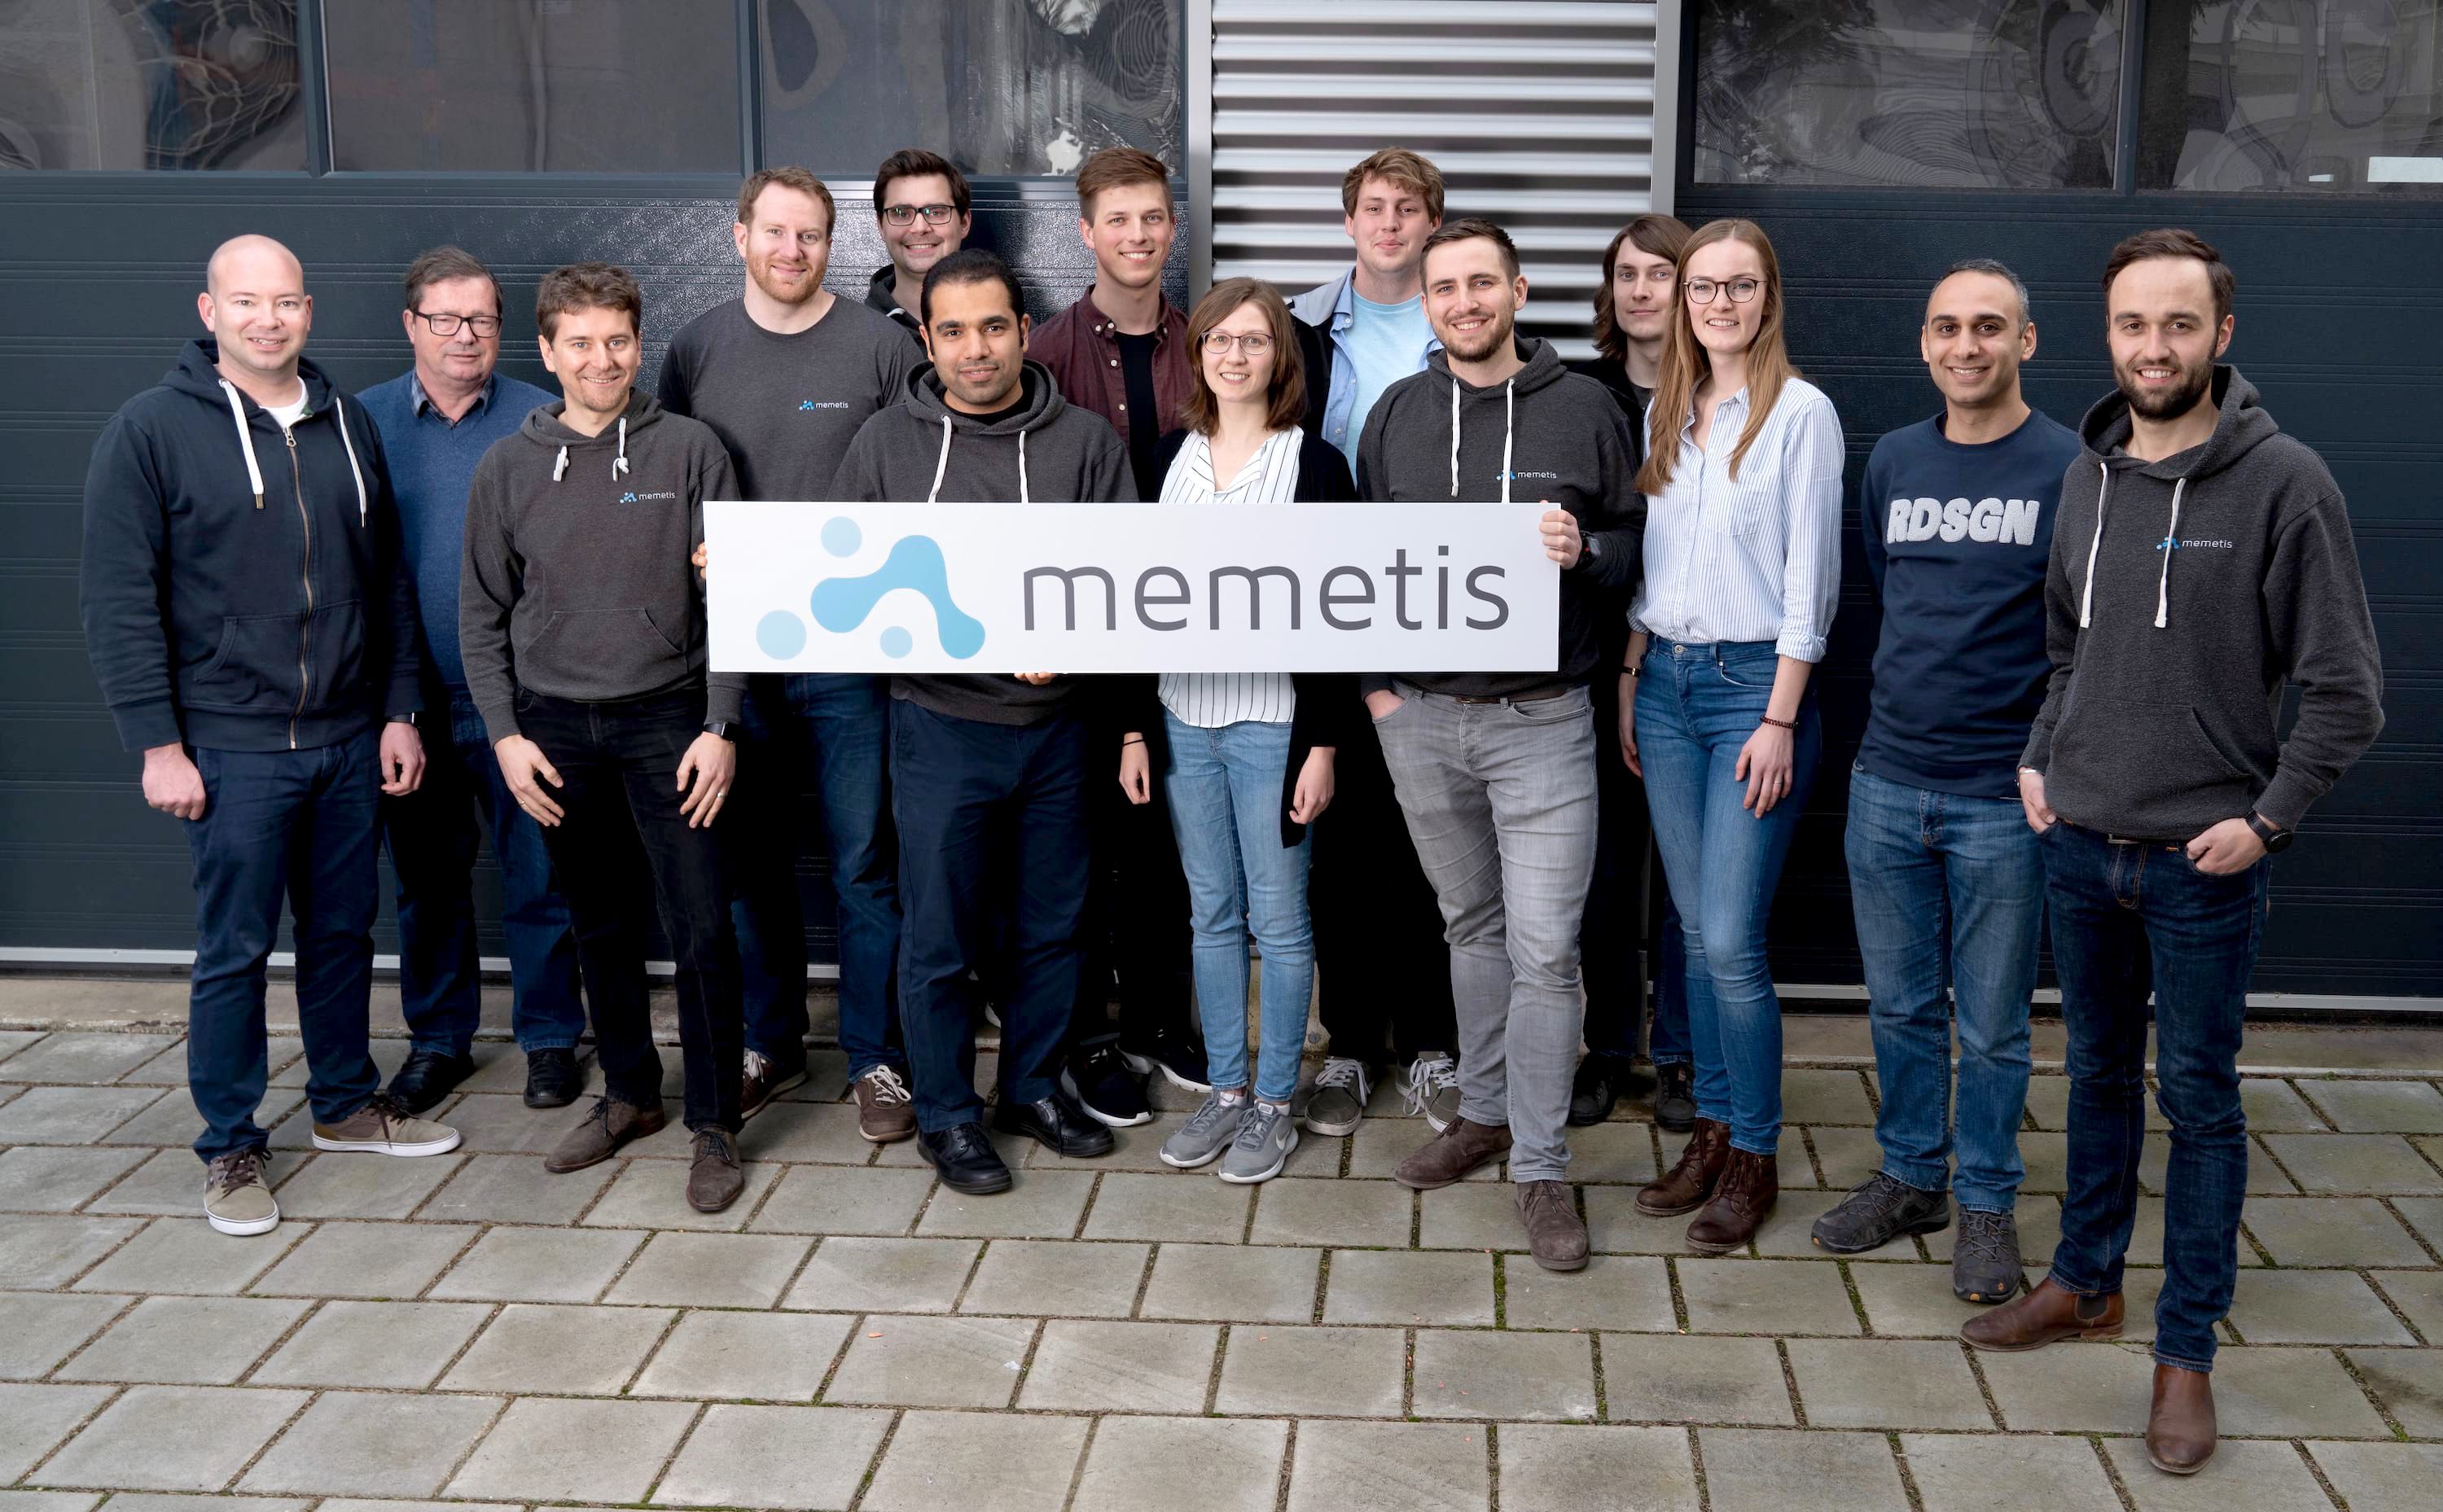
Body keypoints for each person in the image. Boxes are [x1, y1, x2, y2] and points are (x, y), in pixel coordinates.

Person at [1962, 229, 2384, 1477]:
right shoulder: (2088, 477)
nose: (2155, 348)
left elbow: (2349, 694)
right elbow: (2066, 648)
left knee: (2197, 1105)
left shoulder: (2285, 482)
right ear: (2109, 336)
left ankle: (2184, 1350)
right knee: (2095, 1079)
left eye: (2180, 325)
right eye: (2135, 326)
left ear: (2222, 335)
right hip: (2080, 847)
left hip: (2204, 865)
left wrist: (2267, 818)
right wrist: (2044, 754)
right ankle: (2085, 1281)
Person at [81, 234, 458, 1238]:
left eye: (285, 301)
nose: (267, 319)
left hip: (346, 735)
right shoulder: (150, 431)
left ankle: (341, 1103)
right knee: (235, 950)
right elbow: (119, 600)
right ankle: (231, 1144)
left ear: (308, 309)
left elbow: (387, 581)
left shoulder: (347, 423)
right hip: (230, 745)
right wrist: (157, 743)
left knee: (341, 936)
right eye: (245, 302)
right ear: (209, 313)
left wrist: (399, 708)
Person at [1360, 218, 1646, 1272]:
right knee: (1469, 925)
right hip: (1423, 719)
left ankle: (1539, 1163)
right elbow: (1358, 568)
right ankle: (1481, 1113)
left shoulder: (1588, 410)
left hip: (1542, 722)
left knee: (1544, 950)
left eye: (1483, 282)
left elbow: (1635, 549)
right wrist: (1379, 694)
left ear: (1519, 291)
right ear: (1425, 303)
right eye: (1446, 288)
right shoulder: (1395, 414)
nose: (1465, 302)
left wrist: (1590, 550)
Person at [831, 248, 1135, 1195]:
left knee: (1053, 925)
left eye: (994, 327)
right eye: (953, 330)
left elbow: (1128, 582)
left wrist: (1074, 646)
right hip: (941, 727)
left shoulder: (1086, 443)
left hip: (1058, 729)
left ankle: (1032, 1088)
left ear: (1022, 331)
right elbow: (839, 585)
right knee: (941, 936)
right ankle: (948, 1114)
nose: (976, 349)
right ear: (927, 338)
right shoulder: (885, 444)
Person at [1809, 260, 2079, 1305]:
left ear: (2027, 342)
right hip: (1888, 777)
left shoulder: (2070, 468)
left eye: (1988, 328)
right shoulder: (1896, 462)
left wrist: (2043, 755)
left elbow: (2080, 635)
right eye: (1946, 329)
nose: (1966, 346)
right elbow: (1889, 587)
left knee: (1994, 1021)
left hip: (2001, 797)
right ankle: (1912, 1176)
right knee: (1902, 1005)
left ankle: (1987, 1203)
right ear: (1923, 344)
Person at [461, 262, 751, 1214]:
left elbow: (739, 597)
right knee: (599, 922)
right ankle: (630, 1094)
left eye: (618, 340)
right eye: (579, 343)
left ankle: (714, 1121)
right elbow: (481, 614)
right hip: (555, 728)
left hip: (668, 720)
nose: (601, 359)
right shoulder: (506, 467)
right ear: (544, 352)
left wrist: (720, 723)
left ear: (640, 344)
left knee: (704, 926)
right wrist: (505, 735)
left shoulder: (692, 451)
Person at [657, 168, 923, 1138]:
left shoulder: (880, 345)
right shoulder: (694, 349)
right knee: (749, 864)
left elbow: (917, 472)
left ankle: (878, 1058)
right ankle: (766, 1041)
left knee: (862, 862)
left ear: (831, 244)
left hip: (855, 649)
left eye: (811, 235)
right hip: (739, 654)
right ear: (739, 237)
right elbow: (671, 466)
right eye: (775, 233)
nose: (792, 251)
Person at [1625, 218, 1843, 1256]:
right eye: (1703, 288)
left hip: (1754, 688)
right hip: (1665, 683)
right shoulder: (1672, 410)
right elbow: (1657, 571)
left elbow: (1813, 581)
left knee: (1731, 938)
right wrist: (1632, 680)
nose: (1719, 303)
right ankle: (1708, 1132)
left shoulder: (1802, 415)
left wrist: (1780, 715)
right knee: (1690, 931)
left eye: (1739, 286)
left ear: (1768, 297)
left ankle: (1754, 1152)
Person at [358, 246, 586, 1114]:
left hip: (527, 708)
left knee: (541, 876)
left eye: (482, 320)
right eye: (445, 320)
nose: (465, 336)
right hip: (409, 709)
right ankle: (438, 1043)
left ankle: (552, 1039)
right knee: (428, 885)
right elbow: (358, 576)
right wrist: (393, 705)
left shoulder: (544, 418)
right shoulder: (363, 424)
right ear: (410, 325)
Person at [1141, 278, 1356, 1184]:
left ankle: (1276, 1102)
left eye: (1255, 341)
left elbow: (1346, 615)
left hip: (1277, 725)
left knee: (1279, 916)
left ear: (1282, 357)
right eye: (1219, 340)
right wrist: (1128, 735)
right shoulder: (1163, 459)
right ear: (1198, 356)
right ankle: (1226, 1091)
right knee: (1212, 913)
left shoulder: (1318, 466)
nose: (1235, 355)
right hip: (1184, 718)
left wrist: (1325, 744)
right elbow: (1128, 599)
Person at [1287, 147, 1463, 1138]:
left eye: (1407, 208)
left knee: (1437, 835)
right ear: (1349, 220)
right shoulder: (1306, 325)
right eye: (1372, 208)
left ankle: (1434, 1045)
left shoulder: (1463, 316)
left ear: (1433, 221)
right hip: (1327, 596)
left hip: (1437, 599)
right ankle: (1351, 1045)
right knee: (1346, 840)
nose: (1389, 223)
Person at [1029, 146, 1205, 1119]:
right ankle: (1090, 1041)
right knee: (1084, 853)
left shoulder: (1209, 343)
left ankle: (1159, 1022)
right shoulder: (1047, 354)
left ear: (1171, 228)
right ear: (1086, 233)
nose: (1139, 236)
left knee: (1172, 849)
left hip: (1188, 641)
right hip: (1082, 648)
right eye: (1119, 220)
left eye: (1154, 218)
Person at [1568, 213, 1696, 1132]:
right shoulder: (1580, 396)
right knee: (1607, 874)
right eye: (1628, 274)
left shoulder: (1726, 393)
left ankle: (1684, 1054)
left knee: (1693, 879)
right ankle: (1609, 1048)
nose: (1643, 289)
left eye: (1662, 272)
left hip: (1693, 662)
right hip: (1593, 664)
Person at [866, 147, 971, 344]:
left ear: (964, 222)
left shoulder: (1007, 324)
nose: (919, 228)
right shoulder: (856, 334)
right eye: (901, 213)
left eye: (937, 212)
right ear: (881, 226)